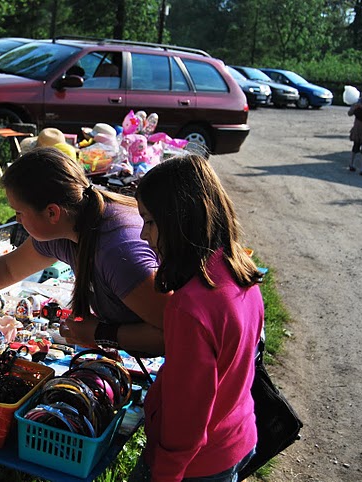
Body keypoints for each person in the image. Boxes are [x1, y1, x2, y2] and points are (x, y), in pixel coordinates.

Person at [0, 147, 168, 355]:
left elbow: (174, 334)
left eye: (19, 213)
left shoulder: (118, 252)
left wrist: (101, 334)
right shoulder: (70, 223)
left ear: (52, 212)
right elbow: (8, 268)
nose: (16, 220)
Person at [129, 154, 263, 482]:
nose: (144, 236)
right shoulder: (239, 272)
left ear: (178, 221)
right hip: (237, 434)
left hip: (197, 465)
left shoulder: (189, 308)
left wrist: (165, 472)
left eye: (149, 221)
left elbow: (186, 418)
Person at [348, 85, 362, 175]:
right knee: (356, 147)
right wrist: (355, 107)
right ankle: (351, 164)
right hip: (358, 128)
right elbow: (349, 113)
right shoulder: (357, 102)